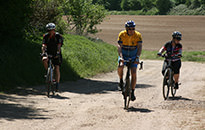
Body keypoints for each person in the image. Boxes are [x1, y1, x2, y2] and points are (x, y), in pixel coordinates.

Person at [117, 20, 143, 101]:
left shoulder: (138, 35)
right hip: (124, 53)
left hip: (133, 54)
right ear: (126, 29)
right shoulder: (122, 34)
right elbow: (119, 46)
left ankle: (132, 91)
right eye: (130, 29)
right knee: (120, 66)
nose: (131, 30)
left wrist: (137, 57)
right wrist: (121, 57)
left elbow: (139, 47)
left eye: (133, 29)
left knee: (134, 73)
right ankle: (121, 81)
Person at [41, 23, 63, 92]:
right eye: (49, 30)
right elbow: (44, 45)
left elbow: (59, 46)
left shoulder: (58, 36)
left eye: (52, 30)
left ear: (54, 30)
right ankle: (48, 72)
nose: (50, 32)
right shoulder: (46, 36)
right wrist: (43, 52)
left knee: (57, 68)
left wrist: (58, 53)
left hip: (56, 52)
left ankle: (57, 84)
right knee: (44, 59)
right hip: (48, 52)